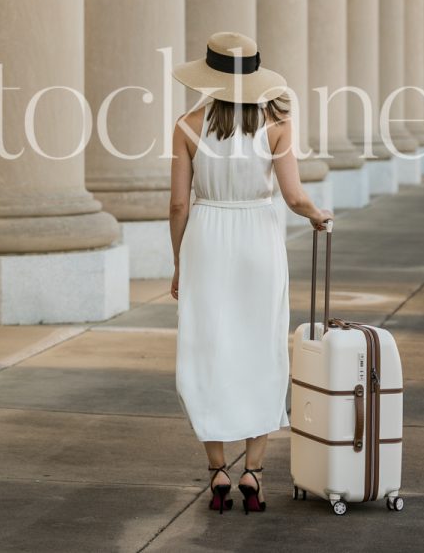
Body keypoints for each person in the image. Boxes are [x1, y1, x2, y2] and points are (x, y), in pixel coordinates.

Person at [169, 31, 333, 514]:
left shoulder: (186, 125)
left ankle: (217, 469)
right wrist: (317, 215)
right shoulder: (278, 124)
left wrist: (180, 261)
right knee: (261, 344)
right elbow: (295, 195)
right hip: (258, 239)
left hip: (207, 236)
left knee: (207, 345)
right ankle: (254, 472)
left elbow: (179, 203)